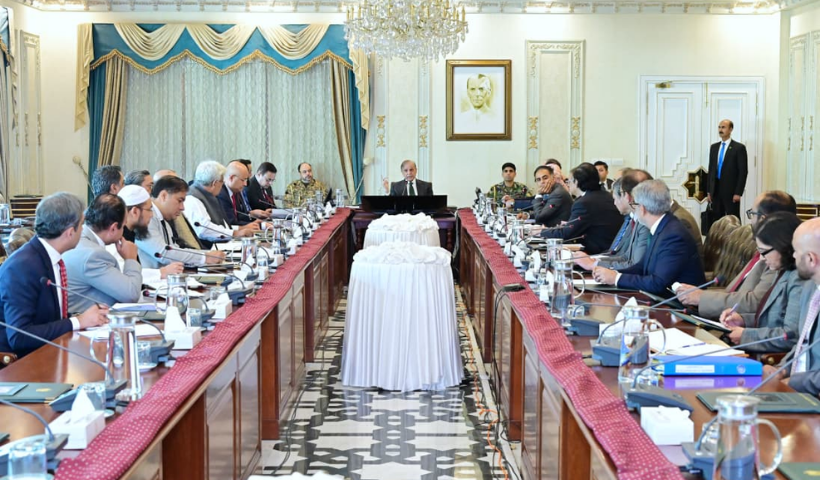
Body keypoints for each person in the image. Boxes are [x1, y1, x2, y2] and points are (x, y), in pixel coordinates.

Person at [0, 192, 109, 357]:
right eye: (81, 225)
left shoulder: (47, 256)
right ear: (70, 232)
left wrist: (87, 317)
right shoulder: (22, 267)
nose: (83, 230)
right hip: (21, 362)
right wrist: (78, 321)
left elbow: (47, 317)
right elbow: (20, 336)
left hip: (50, 352)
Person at [678, 191, 797, 318]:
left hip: (737, 322)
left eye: (752, 214)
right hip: (728, 315)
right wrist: (698, 295)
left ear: (763, 219)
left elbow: (756, 303)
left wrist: (701, 298)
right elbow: (733, 291)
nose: (750, 220)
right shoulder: (764, 248)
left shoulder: (778, 256)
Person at [592, 179, 706, 296]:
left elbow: (658, 283)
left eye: (634, 205)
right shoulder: (663, 226)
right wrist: (613, 273)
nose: (633, 209)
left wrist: (616, 278)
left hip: (678, 301)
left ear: (642, 209)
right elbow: (642, 267)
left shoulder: (673, 235)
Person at [718, 213, 805, 353]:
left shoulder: (799, 279)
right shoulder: (782, 270)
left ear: (783, 246)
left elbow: (790, 336)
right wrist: (742, 320)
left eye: (764, 252)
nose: (762, 258)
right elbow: (773, 318)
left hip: (773, 360)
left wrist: (745, 335)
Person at [761, 218, 820, 395]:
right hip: (792, 388)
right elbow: (803, 343)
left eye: (796, 251)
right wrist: (782, 370)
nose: (793, 256)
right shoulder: (810, 288)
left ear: (811, 259)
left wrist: (791, 382)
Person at [62, 194, 143, 312]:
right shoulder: (93, 255)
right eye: (123, 226)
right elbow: (131, 294)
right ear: (113, 228)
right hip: (85, 319)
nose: (123, 231)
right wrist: (131, 259)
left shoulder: (81, 239)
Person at [135, 176, 226, 269]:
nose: (182, 207)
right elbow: (163, 253)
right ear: (164, 196)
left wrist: (207, 254)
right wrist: (204, 258)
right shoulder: (146, 218)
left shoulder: (163, 219)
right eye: (179, 201)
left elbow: (174, 249)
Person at [537, 162, 622, 255]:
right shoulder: (606, 195)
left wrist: (541, 232)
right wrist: (569, 224)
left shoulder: (584, 203)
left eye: (569, 181)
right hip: (608, 248)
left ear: (576, 182)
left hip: (596, 253)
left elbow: (567, 233)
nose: (568, 184)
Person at [575, 171, 651, 271]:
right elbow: (625, 257)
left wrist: (593, 264)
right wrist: (593, 261)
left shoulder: (645, 222)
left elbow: (635, 265)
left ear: (627, 196)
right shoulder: (636, 218)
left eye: (616, 198)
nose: (614, 203)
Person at [113, 185, 183, 284]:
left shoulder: (130, 233)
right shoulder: (115, 238)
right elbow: (123, 274)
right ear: (135, 211)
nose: (151, 215)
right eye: (149, 209)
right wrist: (161, 272)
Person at [186, 160, 256, 247]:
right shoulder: (193, 198)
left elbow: (222, 225)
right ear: (215, 183)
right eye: (222, 182)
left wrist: (239, 230)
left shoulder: (210, 196)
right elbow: (204, 229)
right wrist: (235, 233)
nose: (223, 185)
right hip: (207, 249)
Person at [707, 119, 748, 221]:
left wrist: (738, 192)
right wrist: (709, 191)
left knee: (733, 218)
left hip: (731, 190)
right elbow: (711, 170)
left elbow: (743, 172)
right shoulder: (714, 147)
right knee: (717, 219)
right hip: (716, 189)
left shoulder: (739, 148)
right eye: (719, 127)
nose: (720, 130)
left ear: (730, 129)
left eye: (723, 127)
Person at [217, 161, 269, 226]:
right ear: (232, 178)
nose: (245, 184)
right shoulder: (221, 194)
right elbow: (231, 222)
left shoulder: (235, 192)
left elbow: (239, 216)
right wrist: (260, 225)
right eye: (243, 180)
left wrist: (251, 215)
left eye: (246, 180)